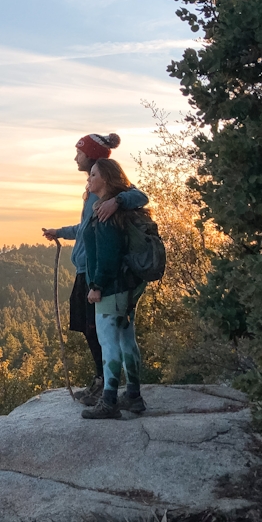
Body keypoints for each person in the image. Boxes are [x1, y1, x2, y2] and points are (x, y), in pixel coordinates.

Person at [41, 134, 148, 402]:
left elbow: (140, 196)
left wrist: (117, 202)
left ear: (91, 156)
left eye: (79, 153)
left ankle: (105, 387)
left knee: (97, 330)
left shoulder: (110, 194)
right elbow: (85, 228)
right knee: (105, 331)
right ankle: (119, 388)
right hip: (92, 270)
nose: (75, 158)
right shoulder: (95, 193)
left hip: (97, 273)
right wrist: (60, 232)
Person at [79, 158, 149, 420]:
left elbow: (107, 255)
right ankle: (133, 396)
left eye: (94, 174)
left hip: (111, 288)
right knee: (127, 339)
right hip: (127, 286)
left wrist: (96, 286)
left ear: (106, 179)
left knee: (109, 343)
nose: (89, 178)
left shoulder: (107, 213)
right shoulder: (116, 208)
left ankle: (109, 401)